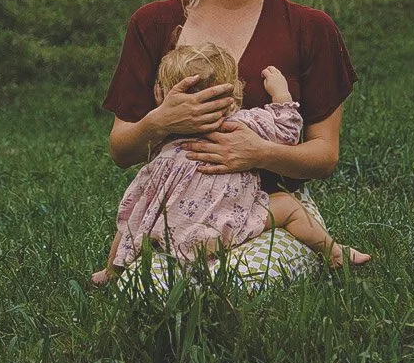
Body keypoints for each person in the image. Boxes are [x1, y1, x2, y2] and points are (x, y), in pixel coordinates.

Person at [100, 0, 370, 285]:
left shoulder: (309, 28)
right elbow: (121, 151)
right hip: (181, 217)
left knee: (235, 285)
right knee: (144, 292)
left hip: (269, 211)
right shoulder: (152, 23)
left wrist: (260, 153)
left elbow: (325, 156)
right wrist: (161, 121)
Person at [91, 42, 359, 286]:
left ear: (162, 95)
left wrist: (160, 115)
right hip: (226, 229)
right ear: (236, 93)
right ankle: (333, 252)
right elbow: (288, 131)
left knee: (133, 216)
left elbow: (135, 197)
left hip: (172, 234)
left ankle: (111, 272)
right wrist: (281, 93)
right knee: (289, 208)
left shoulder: (167, 139)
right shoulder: (242, 124)